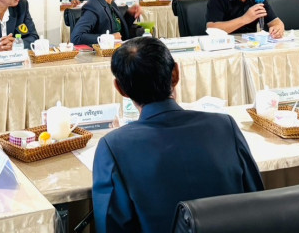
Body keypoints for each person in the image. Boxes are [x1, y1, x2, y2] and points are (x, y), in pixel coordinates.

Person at [92, 36, 263, 233]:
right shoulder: (225, 126)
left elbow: (110, 226)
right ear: (175, 73)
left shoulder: (113, 147)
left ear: (120, 89)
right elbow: (258, 204)